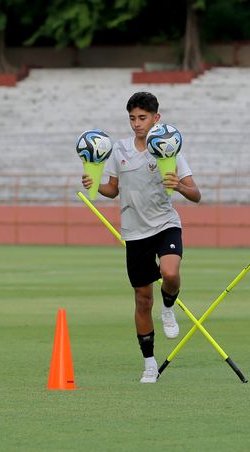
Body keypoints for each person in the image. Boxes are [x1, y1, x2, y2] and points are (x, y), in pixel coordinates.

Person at [82, 91, 201, 383]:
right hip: (134, 232)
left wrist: (180, 187)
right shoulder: (118, 150)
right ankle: (149, 363)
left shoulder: (169, 148)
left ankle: (169, 308)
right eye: (133, 118)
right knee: (142, 299)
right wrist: (93, 184)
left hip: (165, 224)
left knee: (170, 273)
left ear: (156, 119)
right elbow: (113, 189)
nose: (137, 124)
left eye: (143, 118)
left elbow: (195, 194)